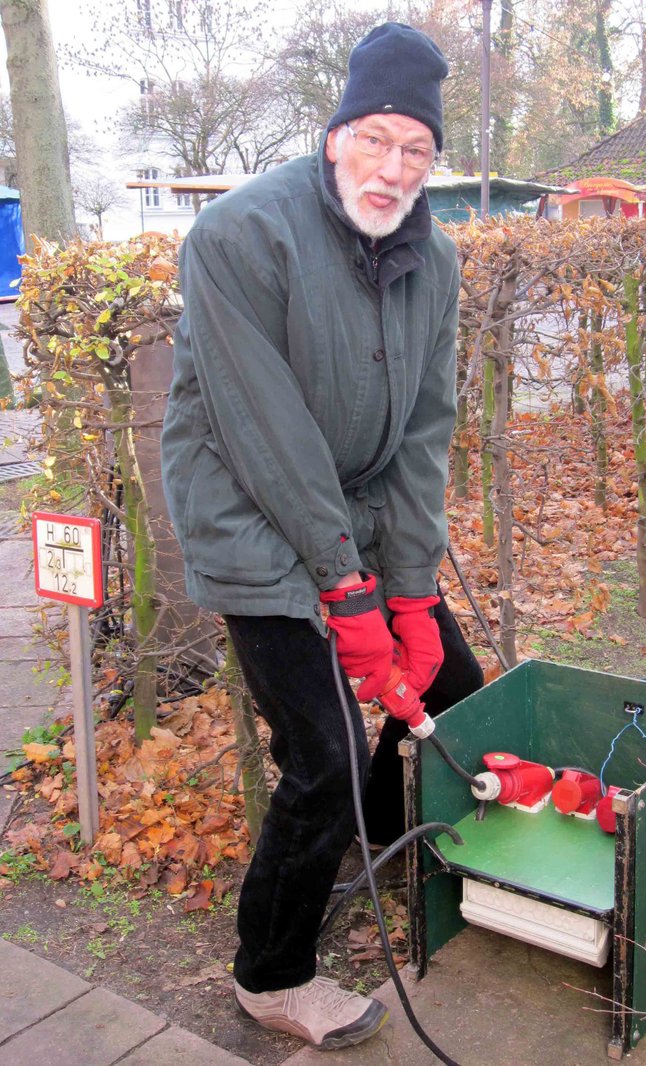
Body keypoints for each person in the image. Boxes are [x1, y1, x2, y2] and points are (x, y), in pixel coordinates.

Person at [161, 21, 483, 1052]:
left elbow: (422, 431)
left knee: (452, 686)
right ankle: (272, 971)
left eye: (416, 150)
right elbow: (264, 429)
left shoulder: (431, 258)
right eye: (375, 138)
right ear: (335, 131)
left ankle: (395, 835)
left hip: (347, 508)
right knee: (326, 749)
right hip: (245, 507)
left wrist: (408, 587)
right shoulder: (237, 237)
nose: (392, 168)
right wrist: (344, 595)